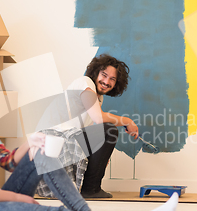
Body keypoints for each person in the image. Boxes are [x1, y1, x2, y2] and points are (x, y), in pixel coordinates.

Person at [0, 56, 178, 211]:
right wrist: (19, 199)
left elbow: (8, 161)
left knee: (40, 153)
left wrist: (28, 144)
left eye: (112, 79)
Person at [58, 54, 139, 198]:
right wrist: (128, 121)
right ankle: (91, 189)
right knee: (109, 130)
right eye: (104, 75)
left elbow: (88, 130)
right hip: (60, 147)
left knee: (105, 133)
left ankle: (90, 188)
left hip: (68, 145)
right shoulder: (86, 83)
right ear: (96, 73)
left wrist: (100, 156)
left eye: (112, 79)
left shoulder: (97, 97)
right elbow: (99, 118)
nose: (106, 81)